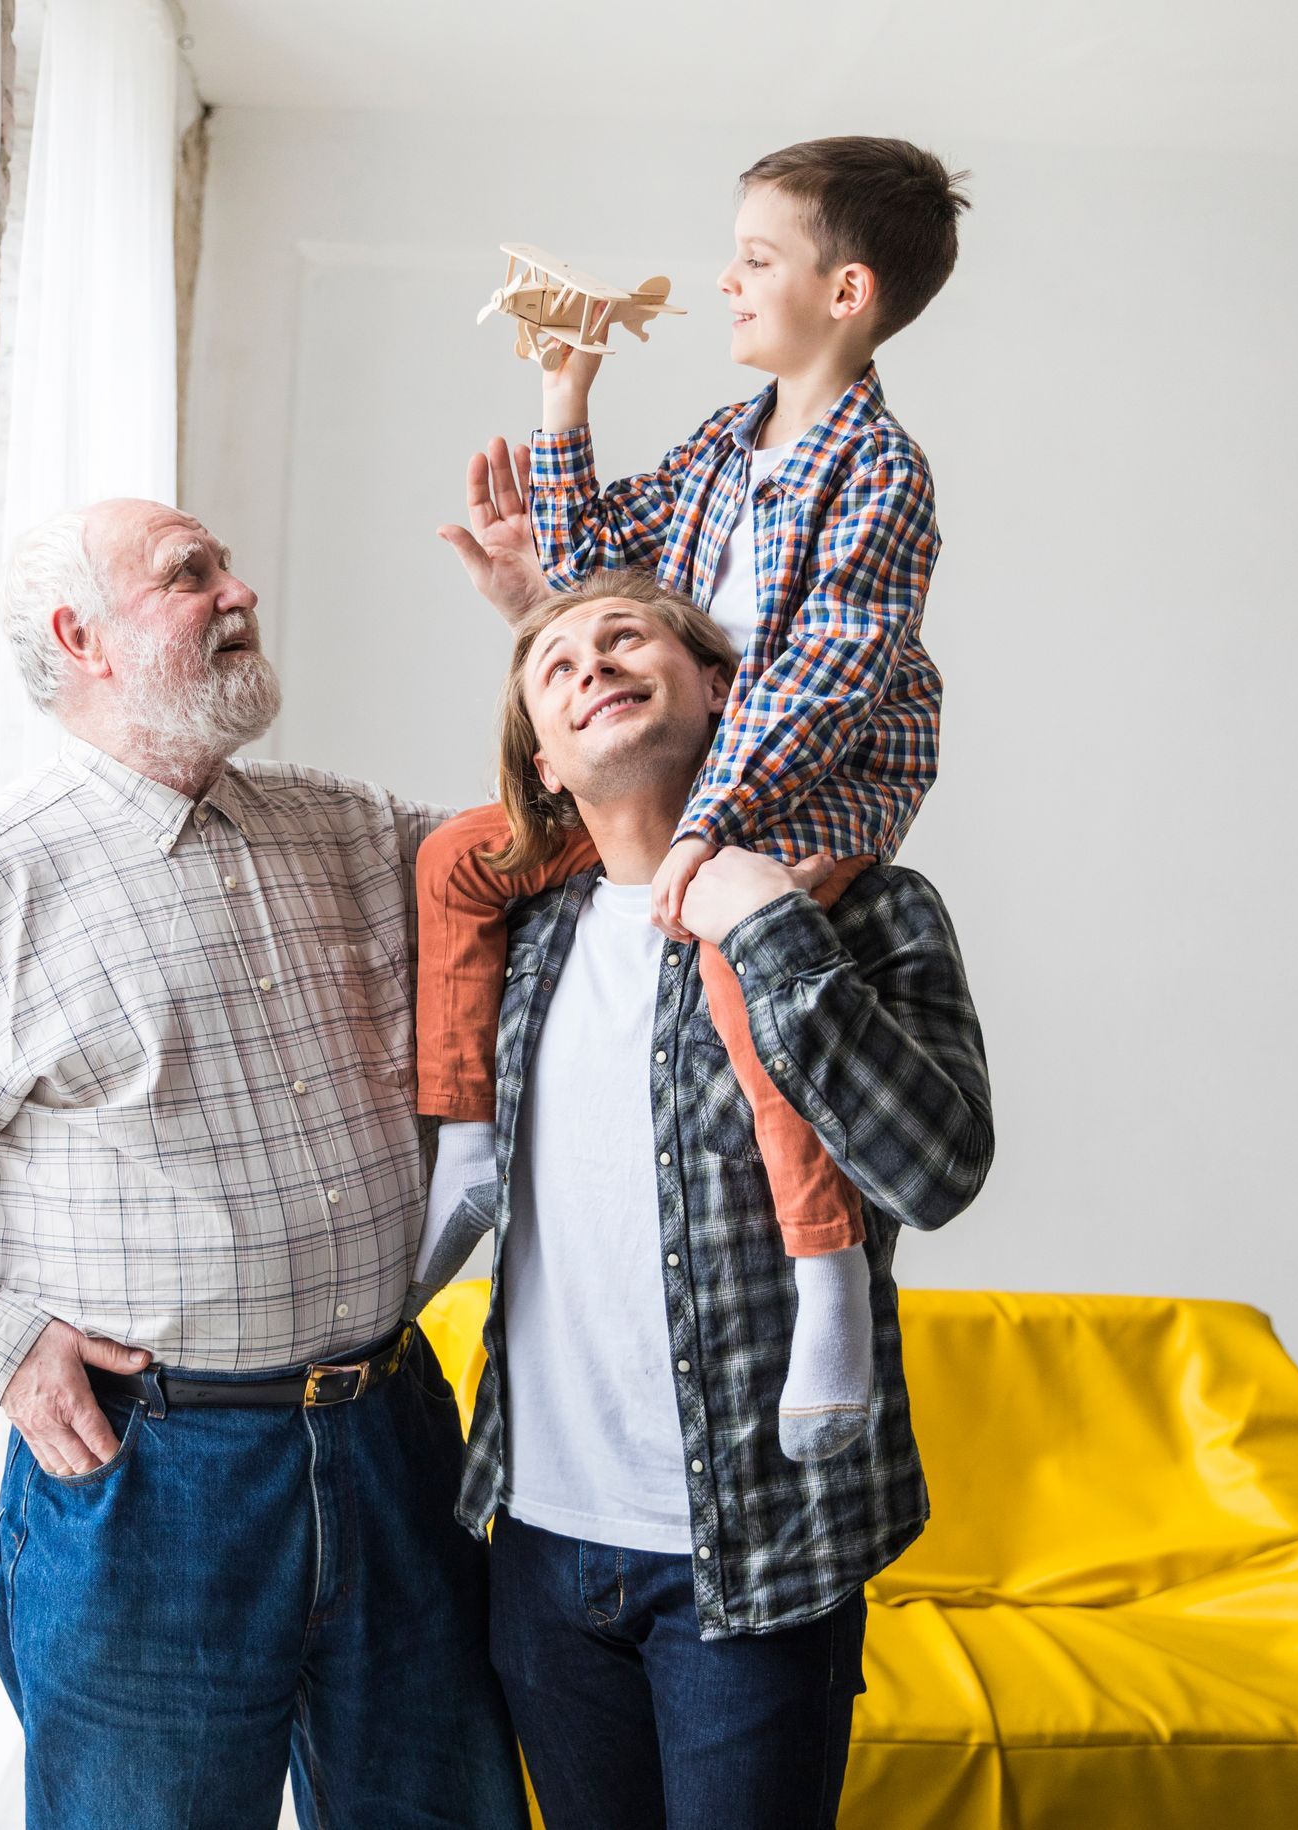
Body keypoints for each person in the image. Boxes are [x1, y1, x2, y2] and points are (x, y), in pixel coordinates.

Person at [0, 499, 528, 1830]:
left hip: (393, 1438)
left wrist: (540, 619)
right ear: (78, 637)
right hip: (156, 1476)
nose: (238, 590)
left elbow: (570, 833)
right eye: (189, 573)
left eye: (224, 565)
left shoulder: (351, 828)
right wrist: (0, 1335)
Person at [408, 570, 994, 1829]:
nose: (593, 664)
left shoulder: (869, 907)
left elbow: (938, 1172)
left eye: (628, 638)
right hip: (538, 1544)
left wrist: (772, 925)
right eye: (555, 668)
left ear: (723, 692)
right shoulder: (523, 940)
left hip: (760, 1551)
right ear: (548, 767)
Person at [420, 137, 971, 1461]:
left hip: (810, 786)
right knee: (453, 857)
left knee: (736, 942)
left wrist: (713, 832)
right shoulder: (732, 443)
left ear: (845, 293)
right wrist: (567, 396)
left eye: (757, 260)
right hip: (696, 790)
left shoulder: (878, 473)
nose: (727, 281)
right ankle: (464, 1152)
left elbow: (822, 687)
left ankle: (828, 1277)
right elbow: (600, 579)